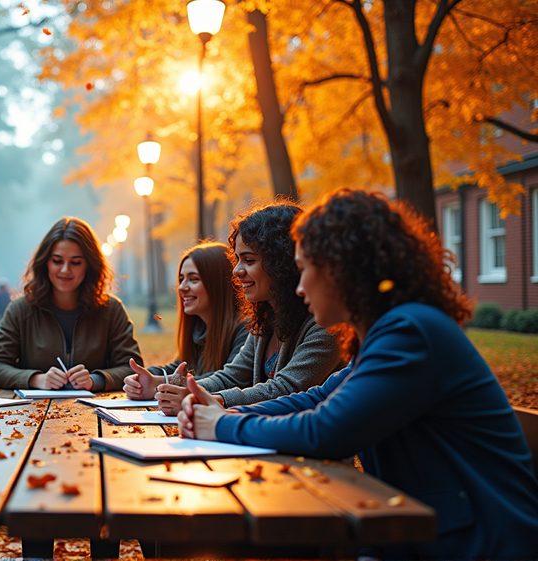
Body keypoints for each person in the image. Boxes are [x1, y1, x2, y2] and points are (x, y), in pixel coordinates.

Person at [177, 189, 538, 559]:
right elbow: (318, 398)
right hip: (422, 533)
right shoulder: (388, 333)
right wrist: (226, 411)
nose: (299, 287)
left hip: (476, 545)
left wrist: (222, 425)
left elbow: (326, 430)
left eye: (305, 270)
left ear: (342, 269)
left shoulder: (409, 332)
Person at [156, 201, 342, 414]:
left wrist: (209, 399)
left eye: (249, 260)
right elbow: (232, 376)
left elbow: (285, 389)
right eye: (237, 259)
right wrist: (179, 390)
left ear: (282, 264)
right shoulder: (267, 319)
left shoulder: (326, 324)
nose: (236, 271)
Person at [0, 217, 141, 390]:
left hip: (95, 406)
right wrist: (36, 379)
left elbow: (132, 368)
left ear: (89, 265)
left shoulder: (111, 310)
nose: (65, 270)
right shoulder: (20, 310)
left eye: (76, 262)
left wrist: (95, 380)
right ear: (45, 262)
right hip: (32, 407)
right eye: (57, 261)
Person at [122, 242, 249, 408]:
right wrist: (143, 379)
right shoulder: (199, 330)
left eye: (194, 279)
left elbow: (231, 378)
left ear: (219, 283)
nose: (182, 287)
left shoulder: (245, 330)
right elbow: (178, 367)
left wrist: (161, 383)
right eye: (181, 279)